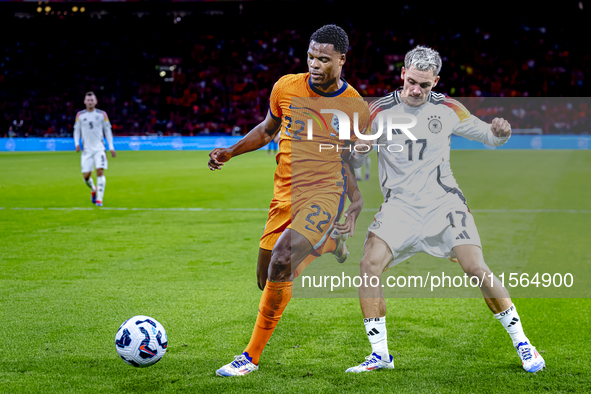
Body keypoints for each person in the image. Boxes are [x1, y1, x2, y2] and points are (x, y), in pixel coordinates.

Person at [346, 46, 545, 373]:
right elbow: (355, 160)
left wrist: (500, 134)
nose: (416, 90)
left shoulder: (449, 108)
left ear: (435, 81)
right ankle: (380, 355)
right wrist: (359, 150)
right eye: (411, 81)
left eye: (424, 85)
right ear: (402, 74)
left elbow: (488, 136)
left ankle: (524, 343)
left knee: (475, 267)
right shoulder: (377, 111)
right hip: (400, 208)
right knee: (368, 265)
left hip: (444, 204)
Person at [208, 24, 369, 376]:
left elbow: (351, 160)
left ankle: (249, 357)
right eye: (311, 57)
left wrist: (356, 194)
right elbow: (267, 129)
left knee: (282, 257)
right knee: (267, 280)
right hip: (283, 195)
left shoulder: (354, 106)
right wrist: (231, 152)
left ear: (342, 60)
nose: (315, 64)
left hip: (324, 194)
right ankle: (327, 247)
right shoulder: (285, 86)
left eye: (324, 59)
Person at [73, 92, 116, 207]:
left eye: (92, 100)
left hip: (99, 149)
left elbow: (107, 131)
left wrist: (111, 147)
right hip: (87, 151)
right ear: (84, 101)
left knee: (100, 171)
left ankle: (99, 199)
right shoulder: (80, 115)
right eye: (88, 100)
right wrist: (76, 143)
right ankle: (93, 188)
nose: (90, 102)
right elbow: (76, 131)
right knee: (86, 177)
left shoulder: (102, 115)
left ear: (96, 101)